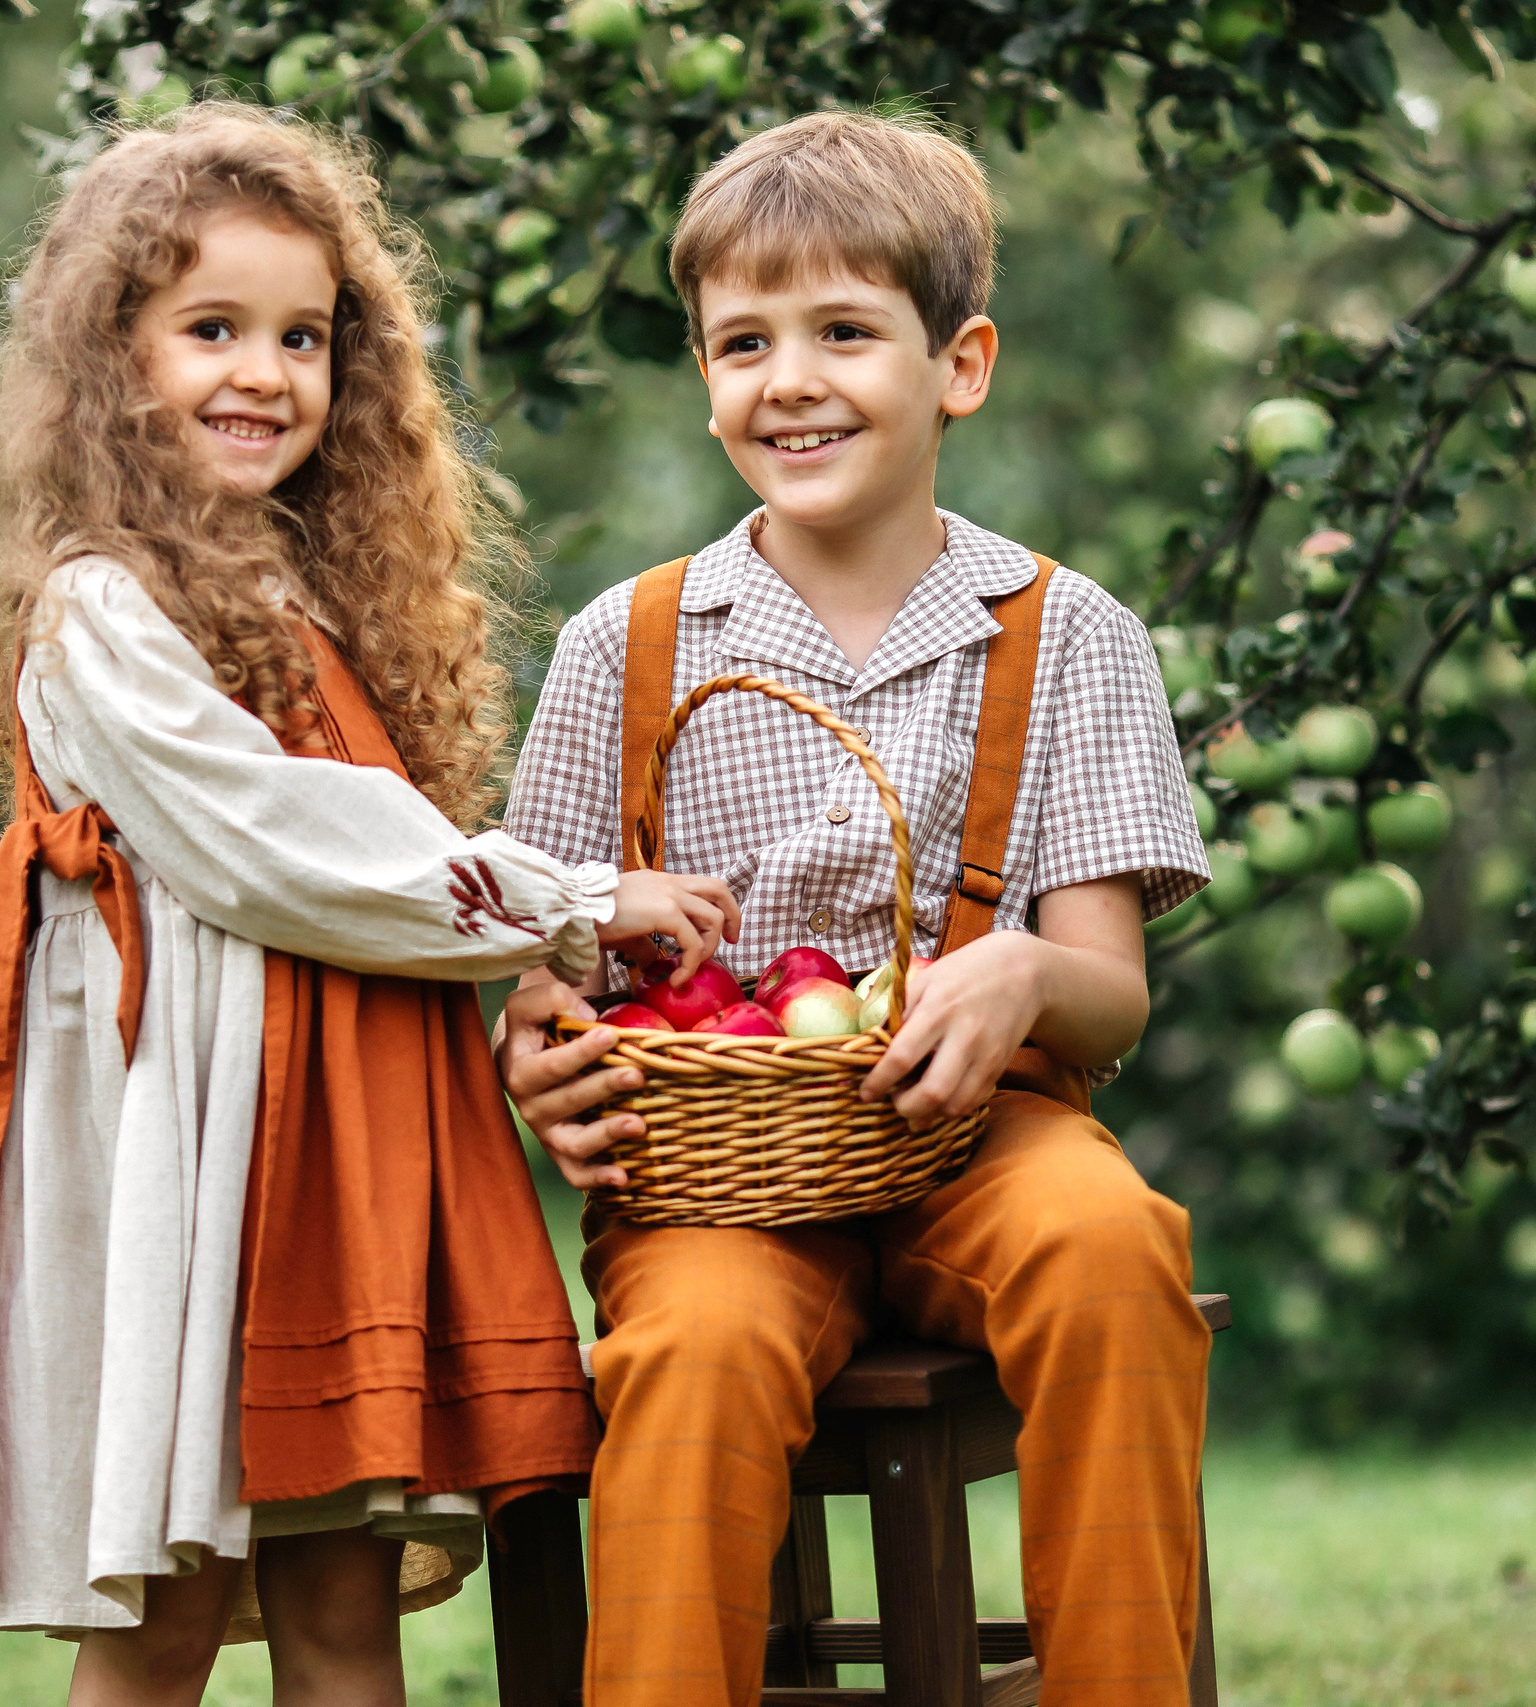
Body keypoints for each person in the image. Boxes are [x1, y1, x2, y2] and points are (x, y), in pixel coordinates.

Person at [0, 105, 737, 1707]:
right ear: (112, 355)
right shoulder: (98, 610)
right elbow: (278, 843)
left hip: (331, 1156)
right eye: (210, 328)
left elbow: (362, 843)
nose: (265, 374)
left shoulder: (312, 594)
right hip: (189, 1165)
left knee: (347, 1609)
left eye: (303, 336)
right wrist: (571, 900)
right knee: (159, 1627)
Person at [497, 110, 1217, 1707]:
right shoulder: (627, 647)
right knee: (692, 1356)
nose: (789, 380)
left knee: (1113, 1250)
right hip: (718, 1184)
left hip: (989, 1139)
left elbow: (1112, 991)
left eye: (842, 331)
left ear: (961, 365)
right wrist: (532, 1051)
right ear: (703, 377)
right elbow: (538, 968)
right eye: (743, 342)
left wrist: (1022, 972)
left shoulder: (1067, 634)